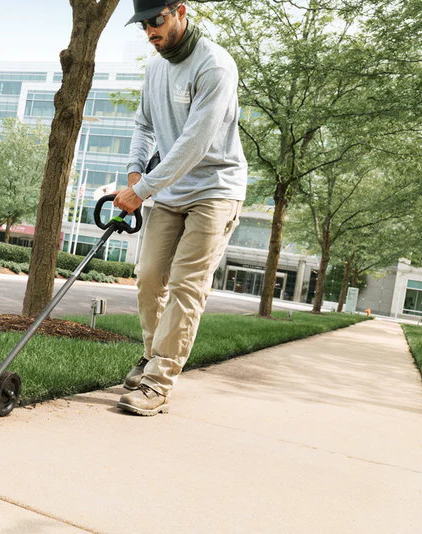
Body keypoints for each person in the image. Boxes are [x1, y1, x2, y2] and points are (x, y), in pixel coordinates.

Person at [113, 0, 248, 416]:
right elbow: (145, 125)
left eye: (157, 20)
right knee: (150, 278)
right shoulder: (154, 68)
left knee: (188, 284)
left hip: (214, 189)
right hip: (169, 191)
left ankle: (158, 381)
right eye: (143, 24)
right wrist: (136, 172)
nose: (150, 31)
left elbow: (195, 142)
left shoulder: (215, 66)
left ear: (180, 11)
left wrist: (145, 189)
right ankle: (153, 354)